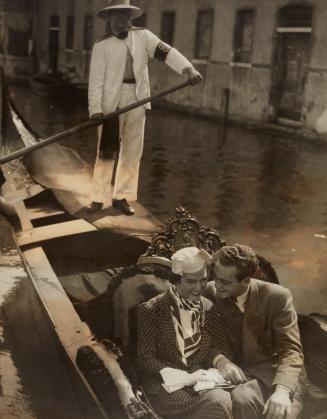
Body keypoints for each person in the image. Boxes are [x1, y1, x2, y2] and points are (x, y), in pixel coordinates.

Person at [88, 0, 202, 215]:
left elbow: (167, 53)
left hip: (137, 98)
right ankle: (97, 197)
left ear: (130, 17)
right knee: (106, 151)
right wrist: (95, 110)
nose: (121, 20)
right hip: (111, 102)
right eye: (117, 15)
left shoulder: (143, 37)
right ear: (109, 18)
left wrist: (188, 69)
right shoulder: (101, 45)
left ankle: (121, 197)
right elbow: (95, 81)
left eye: (125, 15)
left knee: (132, 151)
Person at [208, 244, 305, 419]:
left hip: (278, 373)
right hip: (242, 374)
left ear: (246, 280)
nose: (216, 285)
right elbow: (201, 337)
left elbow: (290, 350)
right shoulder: (210, 292)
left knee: (279, 412)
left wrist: (282, 391)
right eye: (215, 277)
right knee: (241, 398)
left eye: (225, 282)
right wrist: (219, 360)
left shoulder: (278, 297)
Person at [137, 247, 234, 419]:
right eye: (191, 281)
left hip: (202, 380)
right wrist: (186, 378)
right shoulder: (151, 309)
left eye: (203, 280)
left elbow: (222, 348)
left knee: (220, 401)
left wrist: (217, 366)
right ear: (176, 280)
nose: (199, 287)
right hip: (165, 384)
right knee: (214, 405)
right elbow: (146, 358)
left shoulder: (208, 307)